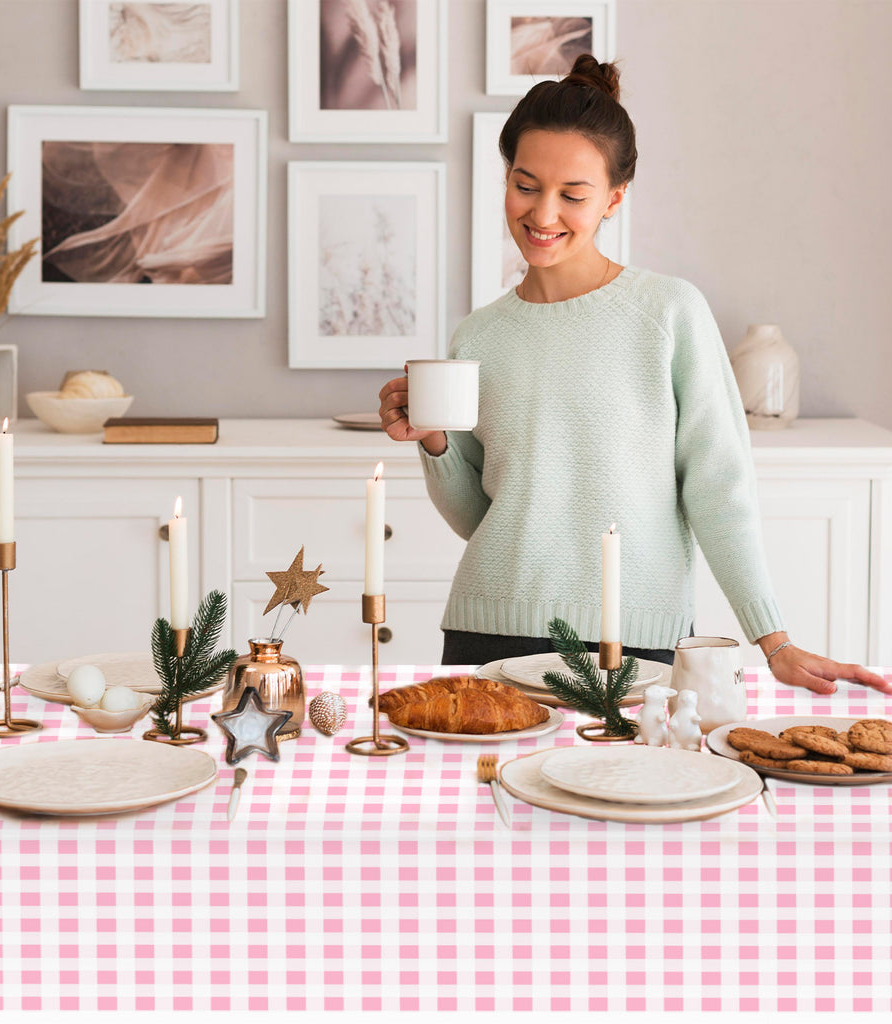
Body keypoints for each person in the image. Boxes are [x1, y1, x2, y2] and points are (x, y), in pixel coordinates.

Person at [378, 54, 889, 696]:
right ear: (505, 178)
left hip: (633, 639)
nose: (542, 213)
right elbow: (480, 516)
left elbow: (717, 487)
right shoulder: (478, 335)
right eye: (526, 184)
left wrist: (774, 640)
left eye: (573, 194)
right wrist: (435, 442)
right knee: (482, 798)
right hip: (487, 633)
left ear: (615, 198)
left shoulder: (668, 313)